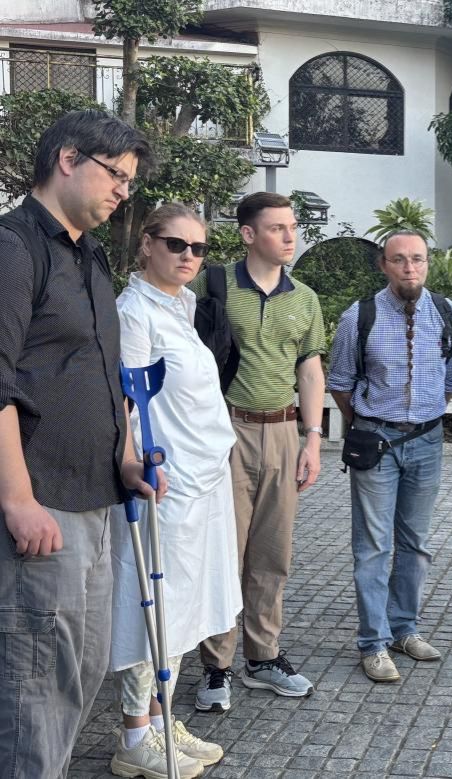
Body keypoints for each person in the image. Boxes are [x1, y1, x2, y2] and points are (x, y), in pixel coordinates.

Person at [0, 109, 164, 777]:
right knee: (35, 687)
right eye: (115, 174)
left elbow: (102, 371)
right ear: (68, 159)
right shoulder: (15, 250)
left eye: (130, 180)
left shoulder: (91, 255)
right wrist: (18, 499)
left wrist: (125, 457)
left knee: (82, 670)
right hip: (43, 507)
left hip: (97, 499)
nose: (124, 191)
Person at [109, 204, 241, 777]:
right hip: (166, 483)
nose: (189, 256)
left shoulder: (184, 305)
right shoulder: (134, 311)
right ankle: (134, 735)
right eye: (176, 244)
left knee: (184, 608)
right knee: (153, 604)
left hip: (205, 480)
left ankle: (163, 721)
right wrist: (136, 461)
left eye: (199, 248)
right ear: (147, 244)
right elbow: (126, 399)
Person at [192, 192, 326, 712]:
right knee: (224, 550)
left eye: (292, 227)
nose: (290, 237)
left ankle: (263, 657)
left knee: (273, 553)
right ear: (248, 234)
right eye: (277, 228)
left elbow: (309, 370)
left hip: (284, 430)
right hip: (226, 428)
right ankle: (216, 665)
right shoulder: (214, 285)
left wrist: (312, 438)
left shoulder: (305, 298)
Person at [328, 230, 452, 683]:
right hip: (375, 441)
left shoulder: (449, 314)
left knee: (416, 544)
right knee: (373, 547)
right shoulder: (359, 316)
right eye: (399, 259)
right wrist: (366, 424)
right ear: (383, 265)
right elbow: (341, 381)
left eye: (418, 259)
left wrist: (422, 417)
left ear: (428, 263)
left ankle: (404, 629)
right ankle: (373, 642)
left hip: (427, 442)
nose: (410, 268)